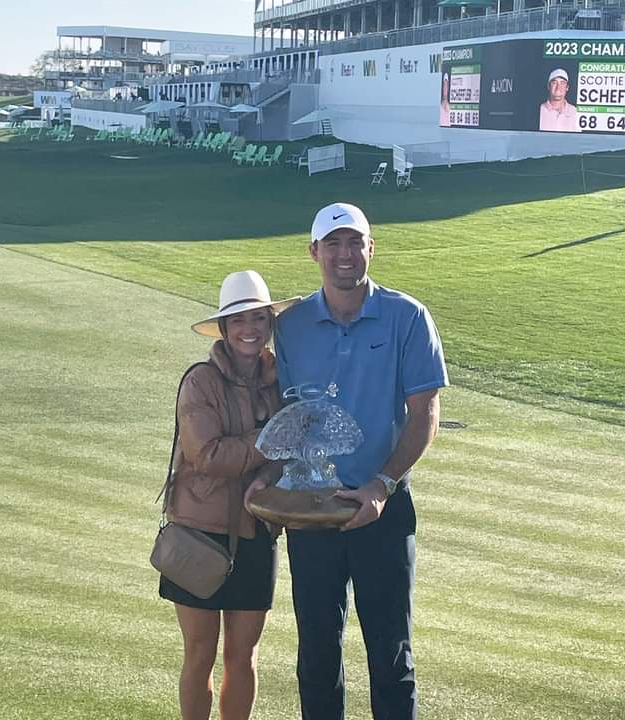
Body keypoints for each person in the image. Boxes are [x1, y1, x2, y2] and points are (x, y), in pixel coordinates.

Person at [248, 203, 448, 720]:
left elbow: (425, 413)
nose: (345, 253)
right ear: (314, 251)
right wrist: (267, 479)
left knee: (391, 653)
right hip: (312, 511)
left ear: (371, 248)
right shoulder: (290, 325)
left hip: (383, 506)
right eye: (332, 243)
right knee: (317, 652)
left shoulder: (407, 316)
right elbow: (288, 417)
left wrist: (380, 486)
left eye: (354, 241)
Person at [159, 270, 299, 720]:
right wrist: (269, 438)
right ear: (223, 328)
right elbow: (208, 456)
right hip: (198, 535)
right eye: (239, 320)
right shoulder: (199, 380)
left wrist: (273, 467)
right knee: (200, 655)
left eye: (259, 318)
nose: (250, 328)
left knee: (245, 657)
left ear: (269, 324)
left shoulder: (280, 380)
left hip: (257, 531)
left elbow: (290, 452)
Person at [539, 68, 578, 132]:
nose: (558, 87)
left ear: (567, 87)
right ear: (548, 86)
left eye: (562, 83)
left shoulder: (575, 112)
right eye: (554, 83)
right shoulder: (539, 110)